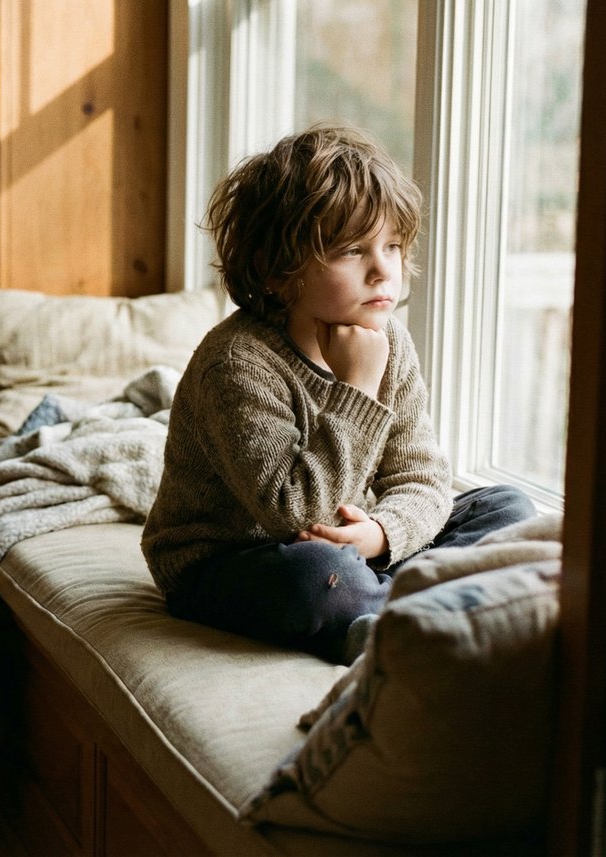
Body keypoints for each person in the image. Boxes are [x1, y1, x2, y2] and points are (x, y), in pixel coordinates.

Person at [141, 124, 536, 664]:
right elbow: (296, 514)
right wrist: (357, 388)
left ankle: (393, 610)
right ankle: (419, 621)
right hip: (236, 559)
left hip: (355, 546)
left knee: (507, 507)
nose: (383, 271)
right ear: (278, 272)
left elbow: (420, 476)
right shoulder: (236, 363)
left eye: (392, 246)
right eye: (353, 250)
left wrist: (381, 533)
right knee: (315, 579)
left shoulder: (389, 339)